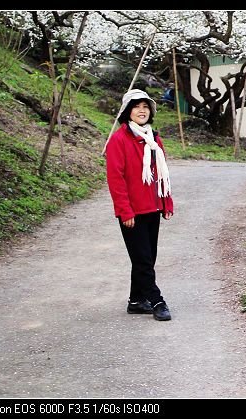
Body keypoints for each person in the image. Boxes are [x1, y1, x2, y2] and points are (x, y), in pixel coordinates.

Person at [105, 89, 174, 321]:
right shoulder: (119, 139)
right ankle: (157, 300)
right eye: (136, 106)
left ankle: (136, 301)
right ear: (127, 111)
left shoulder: (154, 139)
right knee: (143, 259)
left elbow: (161, 175)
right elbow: (116, 178)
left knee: (147, 257)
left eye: (145, 106)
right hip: (132, 211)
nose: (142, 110)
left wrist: (166, 202)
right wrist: (125, 210)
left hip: (152, 208)